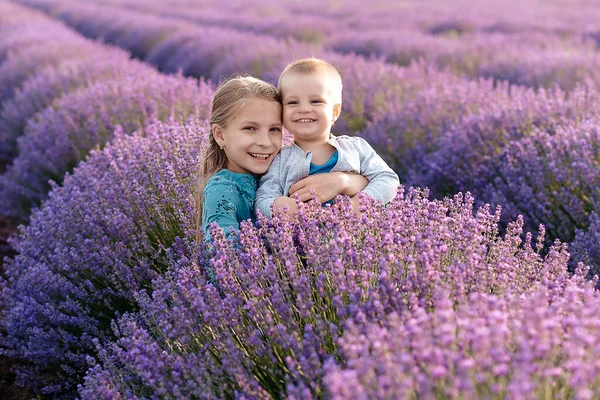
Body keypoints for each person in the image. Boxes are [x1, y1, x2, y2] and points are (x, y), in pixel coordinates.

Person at [199, 76, 369, 240]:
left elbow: (381, 181)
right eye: (250, 128)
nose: (265, 142)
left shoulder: (282, 167)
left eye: (274, 129)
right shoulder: (221, 190)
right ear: (220, 135)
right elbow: (225, 256)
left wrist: (343, 181)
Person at [255, 58, 399, 218]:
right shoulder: (280, 159)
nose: (304, 109)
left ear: (335, 112)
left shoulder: (355, 148)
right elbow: (262, 199)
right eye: (292, 102)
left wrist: (360, 204)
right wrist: (278, 205)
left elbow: (389, 179)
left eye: (316, 101)